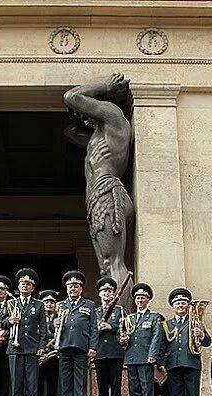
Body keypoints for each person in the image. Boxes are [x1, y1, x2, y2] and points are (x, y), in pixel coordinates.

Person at [64, 73, 133, 287]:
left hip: (107, 193)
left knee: (112, 263)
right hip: (99, 198)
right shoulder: (98, 137)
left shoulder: (114, 117)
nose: (82, 116)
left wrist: (105, 87)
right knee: (106, 266)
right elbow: (70, 132)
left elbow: (72, 96)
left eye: (88, 111)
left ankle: (121, 318)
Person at [160, 288, 211, 396]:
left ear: (188, 305)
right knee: (175, 395)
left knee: (192, 395)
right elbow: (162, 345)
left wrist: (201, 335)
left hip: (191, 363)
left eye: (183, 303)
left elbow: (208, 342)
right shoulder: (167, 325)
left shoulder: (196, 322)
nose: (181, 305)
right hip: (173, 364)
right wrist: (161, 363)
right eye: (178, 303)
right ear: (173, 306)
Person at [55, 270, 97, 396]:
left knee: (80, 381)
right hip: (64, 346)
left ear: (81, 288)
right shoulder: (60, 305)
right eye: (70, 286)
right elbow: (49, 327)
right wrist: (55, 323)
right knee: (66, 381)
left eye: (76, 286)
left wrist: (92, 347)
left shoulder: (89, 305)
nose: (73, 288)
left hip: (81, 346)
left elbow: (94, 328)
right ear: (66, 288)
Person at [6, 268, 44, 396]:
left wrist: (41, 347)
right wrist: (9, 321)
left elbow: (44, 328)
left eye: (28, 284)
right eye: (22, 284)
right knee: (16, 382)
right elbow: (2, 323)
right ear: (18, 286)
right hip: (15, 348)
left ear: (33, 288)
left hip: (31, 347)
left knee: (31, 383)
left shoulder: (38, 305)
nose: (25, 286)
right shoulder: (10, 304)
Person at [122, 283, 164, 396]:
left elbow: (157, 337)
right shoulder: (130, 318)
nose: (140, 301)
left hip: (146, 357)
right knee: (134, 387)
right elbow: (122, 337)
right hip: (131, 357)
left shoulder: (153, 317)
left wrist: (153, 355)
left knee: (146, 386)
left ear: (148, 300)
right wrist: (123, 339)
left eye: (143, 298)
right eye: (138, 298)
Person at [91, 276, 125, 396]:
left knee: (116, 387)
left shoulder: (119, 310)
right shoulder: (95, 312)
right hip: (100, 352)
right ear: (99, 294)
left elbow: (124, 328)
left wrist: (110, 326)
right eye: (104, 291)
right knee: (102, 387)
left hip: (116, 352)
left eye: (110, 291)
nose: (107, 294)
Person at [36, 289, 61, 396]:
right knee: (38, 386)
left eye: (52, 302)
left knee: (53, 387)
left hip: (54, 357)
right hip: (39, 356)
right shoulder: (37, 318)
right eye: (46, 302)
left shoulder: (59, 318)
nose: (49, 304)